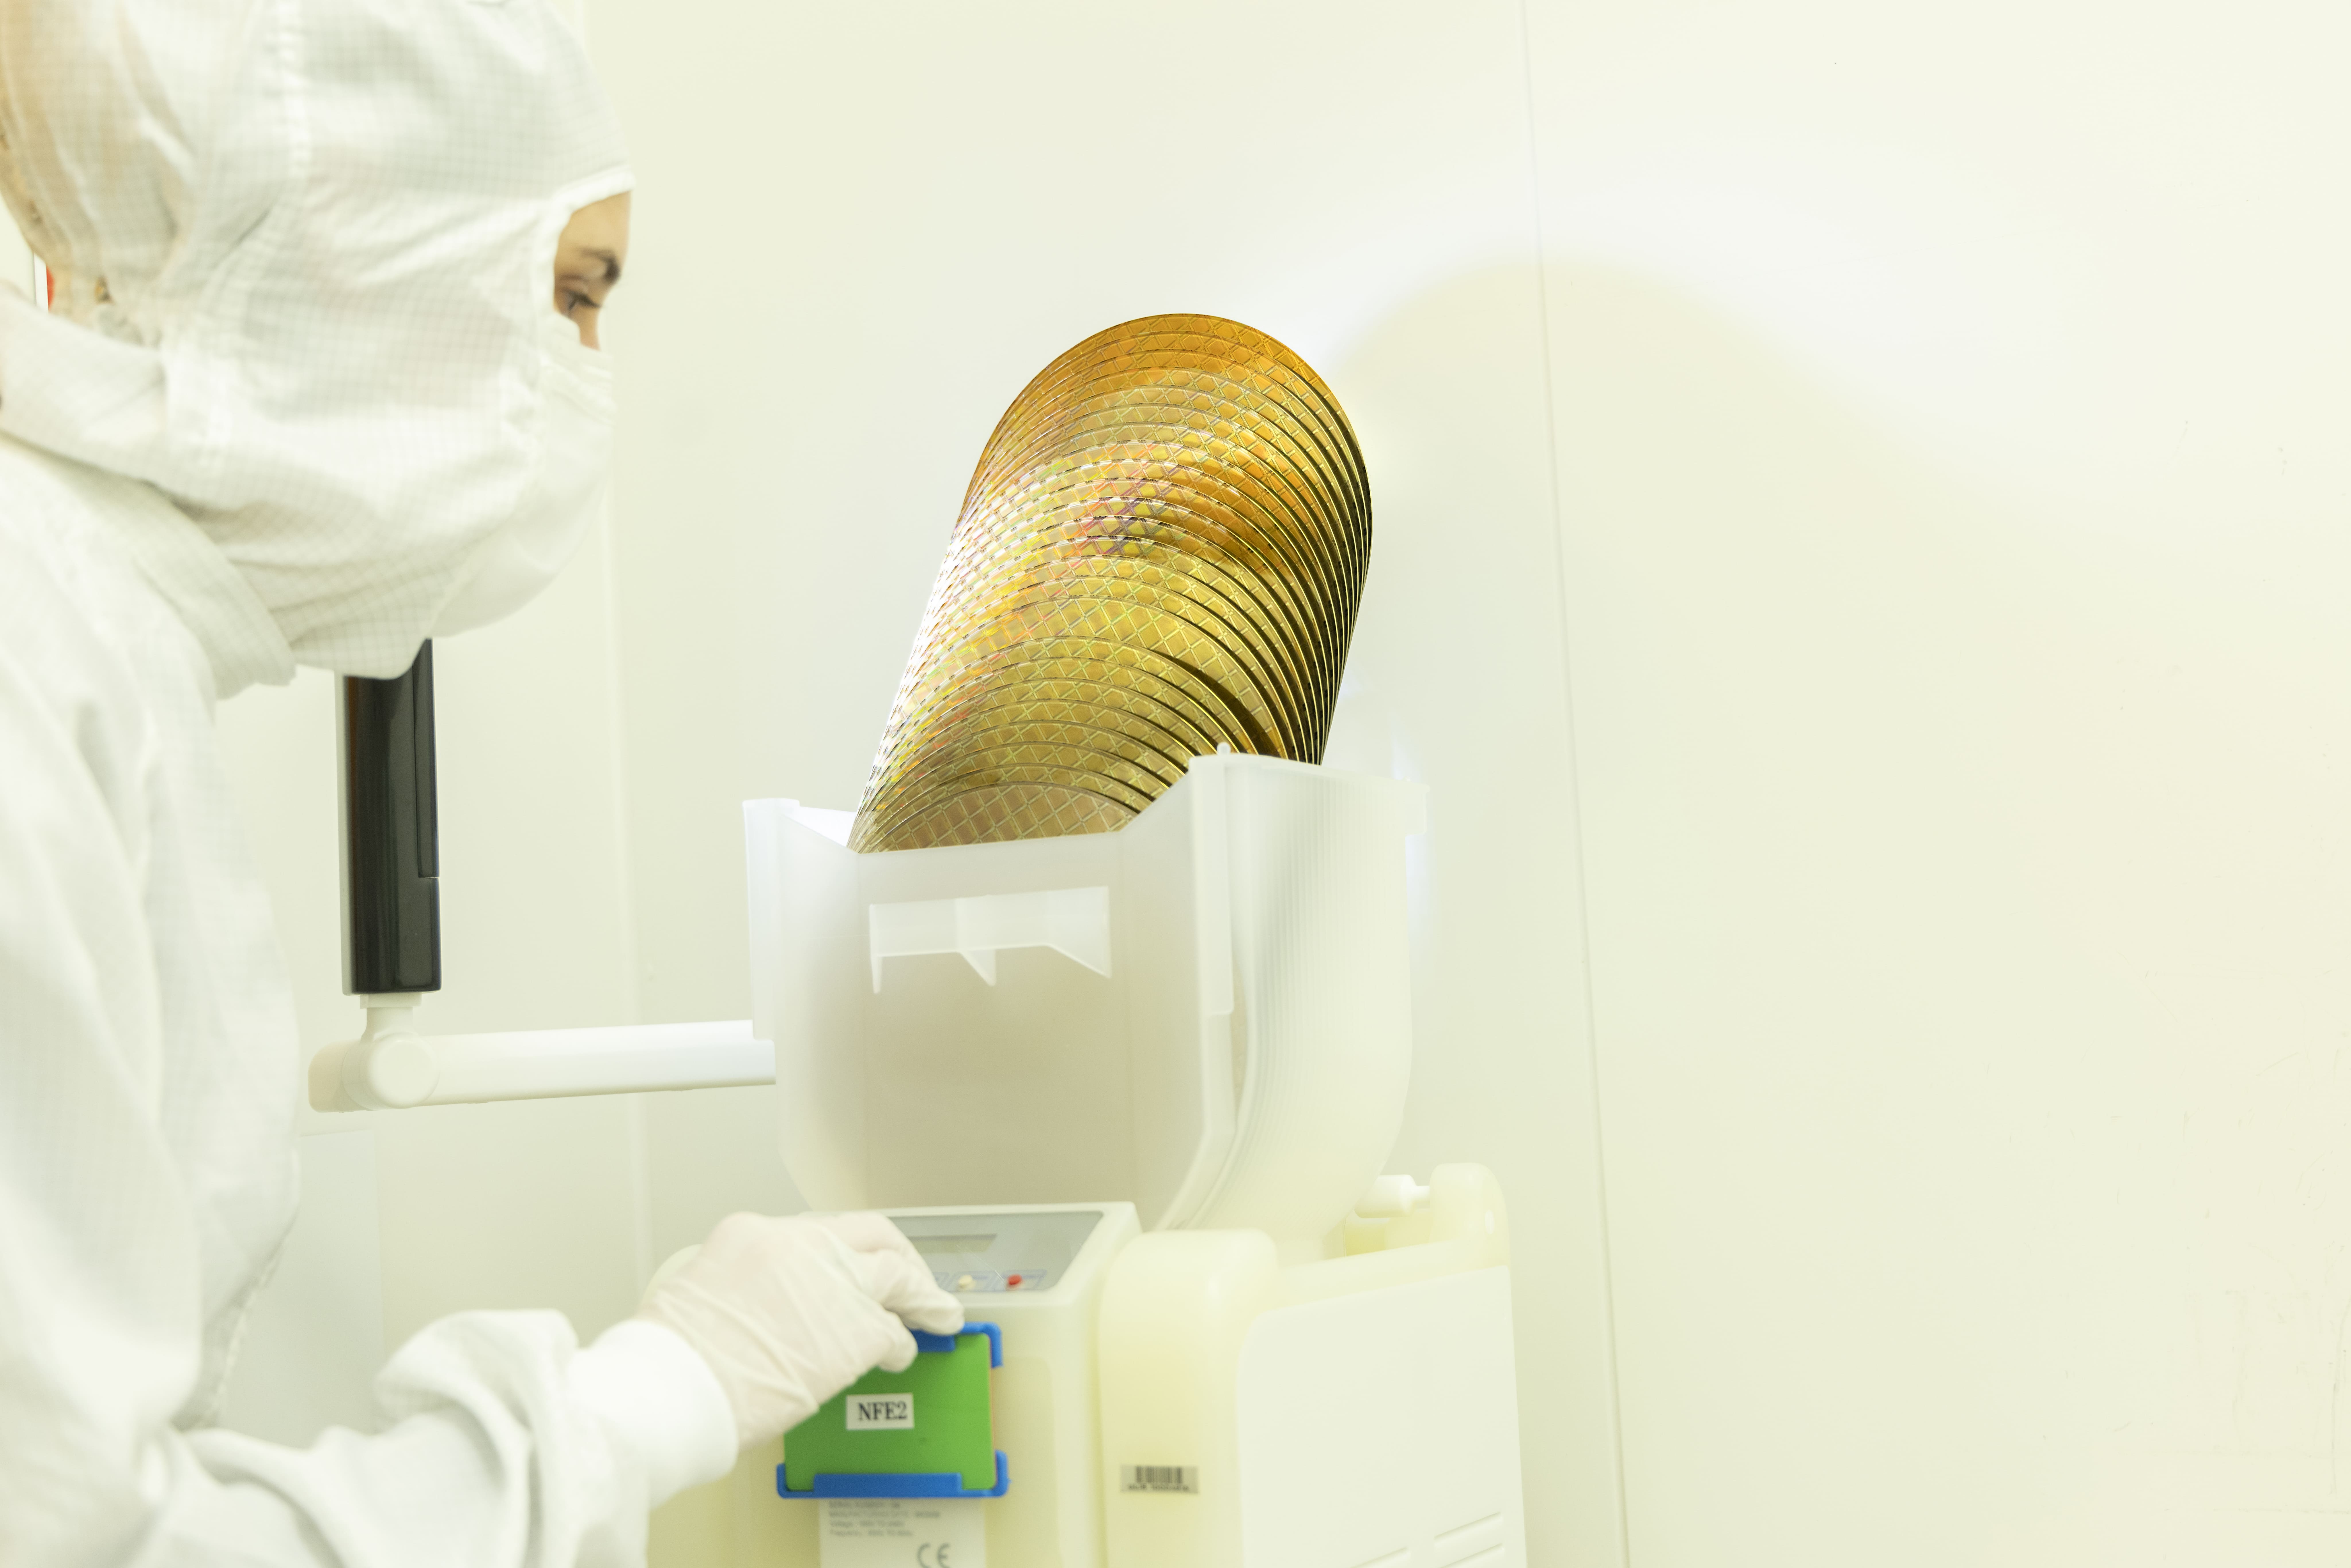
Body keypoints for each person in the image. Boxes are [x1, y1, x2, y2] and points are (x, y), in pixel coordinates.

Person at [0, 2, 962, 1563]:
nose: (586, 380)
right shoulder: (34, 654)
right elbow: (80, 1540)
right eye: (571, 293)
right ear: (346, 255)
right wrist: (653, 1399)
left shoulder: (108, 647)